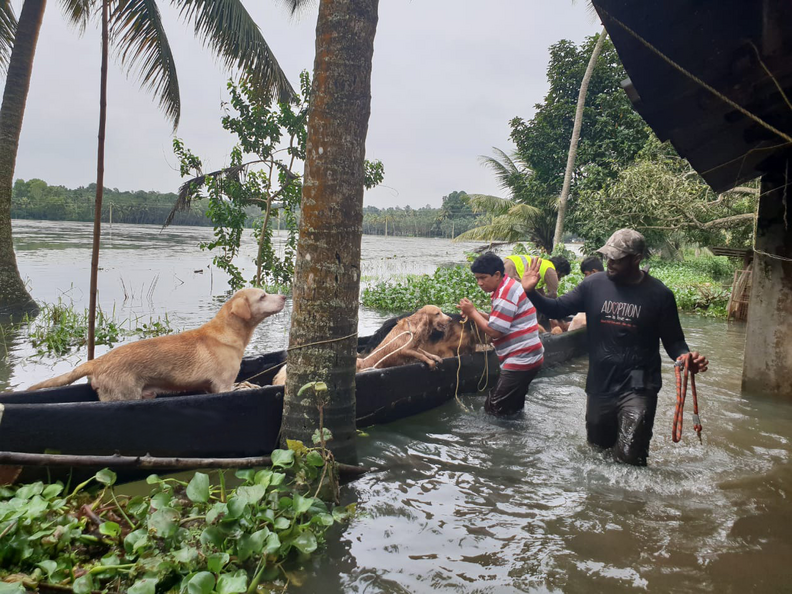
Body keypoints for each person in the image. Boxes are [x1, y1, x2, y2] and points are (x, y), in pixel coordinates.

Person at [521, 229, 709, 466]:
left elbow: (674, 342)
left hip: (639, 386)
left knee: (630, 458)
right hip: (600, 384)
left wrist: (685, 357)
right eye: (607, 257)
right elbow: (556, 308)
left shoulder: (659, 295)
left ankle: (631, 502)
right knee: (597, 453)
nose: (609, 263)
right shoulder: (592, 285)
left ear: (636, 258)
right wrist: (530, 291)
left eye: (617, 259)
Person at [457, 252, 544, 417]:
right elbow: (499, 320)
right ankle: (516, 436)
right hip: (530, 357)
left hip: (521, 359)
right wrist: (475, 314)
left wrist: (473, 312)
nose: (480, 283)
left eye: (483, 277)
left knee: (493, 409)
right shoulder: (506, 286)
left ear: (497, 274)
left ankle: (502, 440)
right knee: (513, 407)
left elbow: (495, 331)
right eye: (477, 279)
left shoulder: (505, 293)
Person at [503, 254, 571, 298]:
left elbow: (539, 293)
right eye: (561, 276)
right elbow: (553, 294)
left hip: (509, 262)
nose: (559, 280)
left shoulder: (544, 266)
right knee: (508, 295)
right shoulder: (550, 270)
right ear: (558, 271)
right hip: (512, 267)